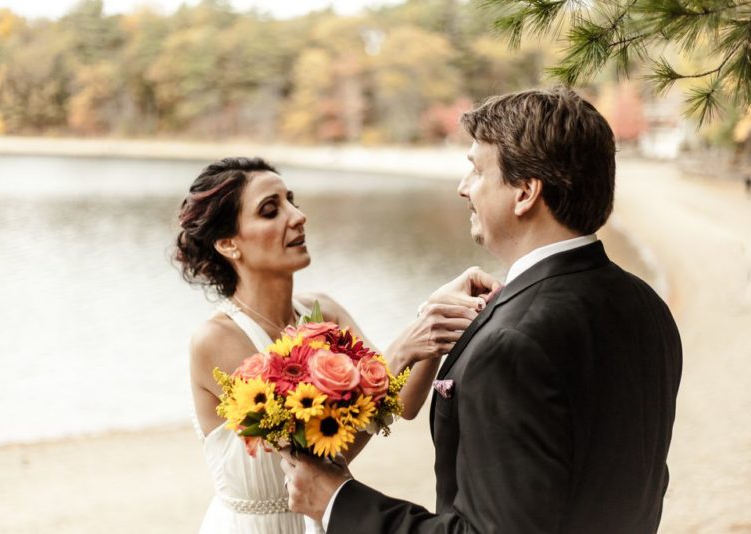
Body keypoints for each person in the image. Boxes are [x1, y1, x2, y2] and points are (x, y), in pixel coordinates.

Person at [282, 87, 683, 533]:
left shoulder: (511, 344)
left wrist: (340, 501)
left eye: (475, 170)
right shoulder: (646, 306)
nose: (462, 187)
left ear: (526, 192)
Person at [174, 157, 500, 534]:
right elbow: (311, 462)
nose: (297, 217)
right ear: (229, 244)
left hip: (323, 517)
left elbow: (403, 401)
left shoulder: (323, 310)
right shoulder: (217, 340)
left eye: (291, 201)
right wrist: (406, 345)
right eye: (270, 210)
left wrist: (436, 320)